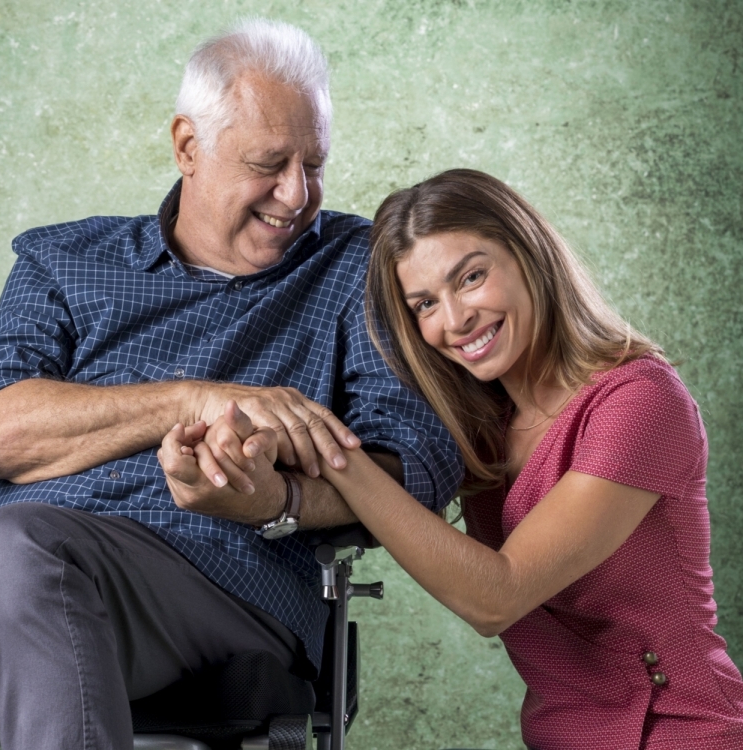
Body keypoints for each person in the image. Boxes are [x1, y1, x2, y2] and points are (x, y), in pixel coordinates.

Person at [0, 19, 462, 750]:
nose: (297, 194)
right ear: (188, 146)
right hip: (6, 575)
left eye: (314, 164)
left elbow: (417, 463)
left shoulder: (361, 269)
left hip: (219, 579)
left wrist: (279, 500)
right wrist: (197, 400)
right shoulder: (62, 259)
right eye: (269, 163)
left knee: (16, 546)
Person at [163, 168, 743, 749]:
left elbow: (497, 596)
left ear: (529, 253)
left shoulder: (639, 401)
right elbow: (376, 494)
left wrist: (329, 445)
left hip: (678, 727)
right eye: (424, 304)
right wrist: (252, 446)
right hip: (560, 735)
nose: (454, 320)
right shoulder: (478, 428)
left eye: (470, 277)